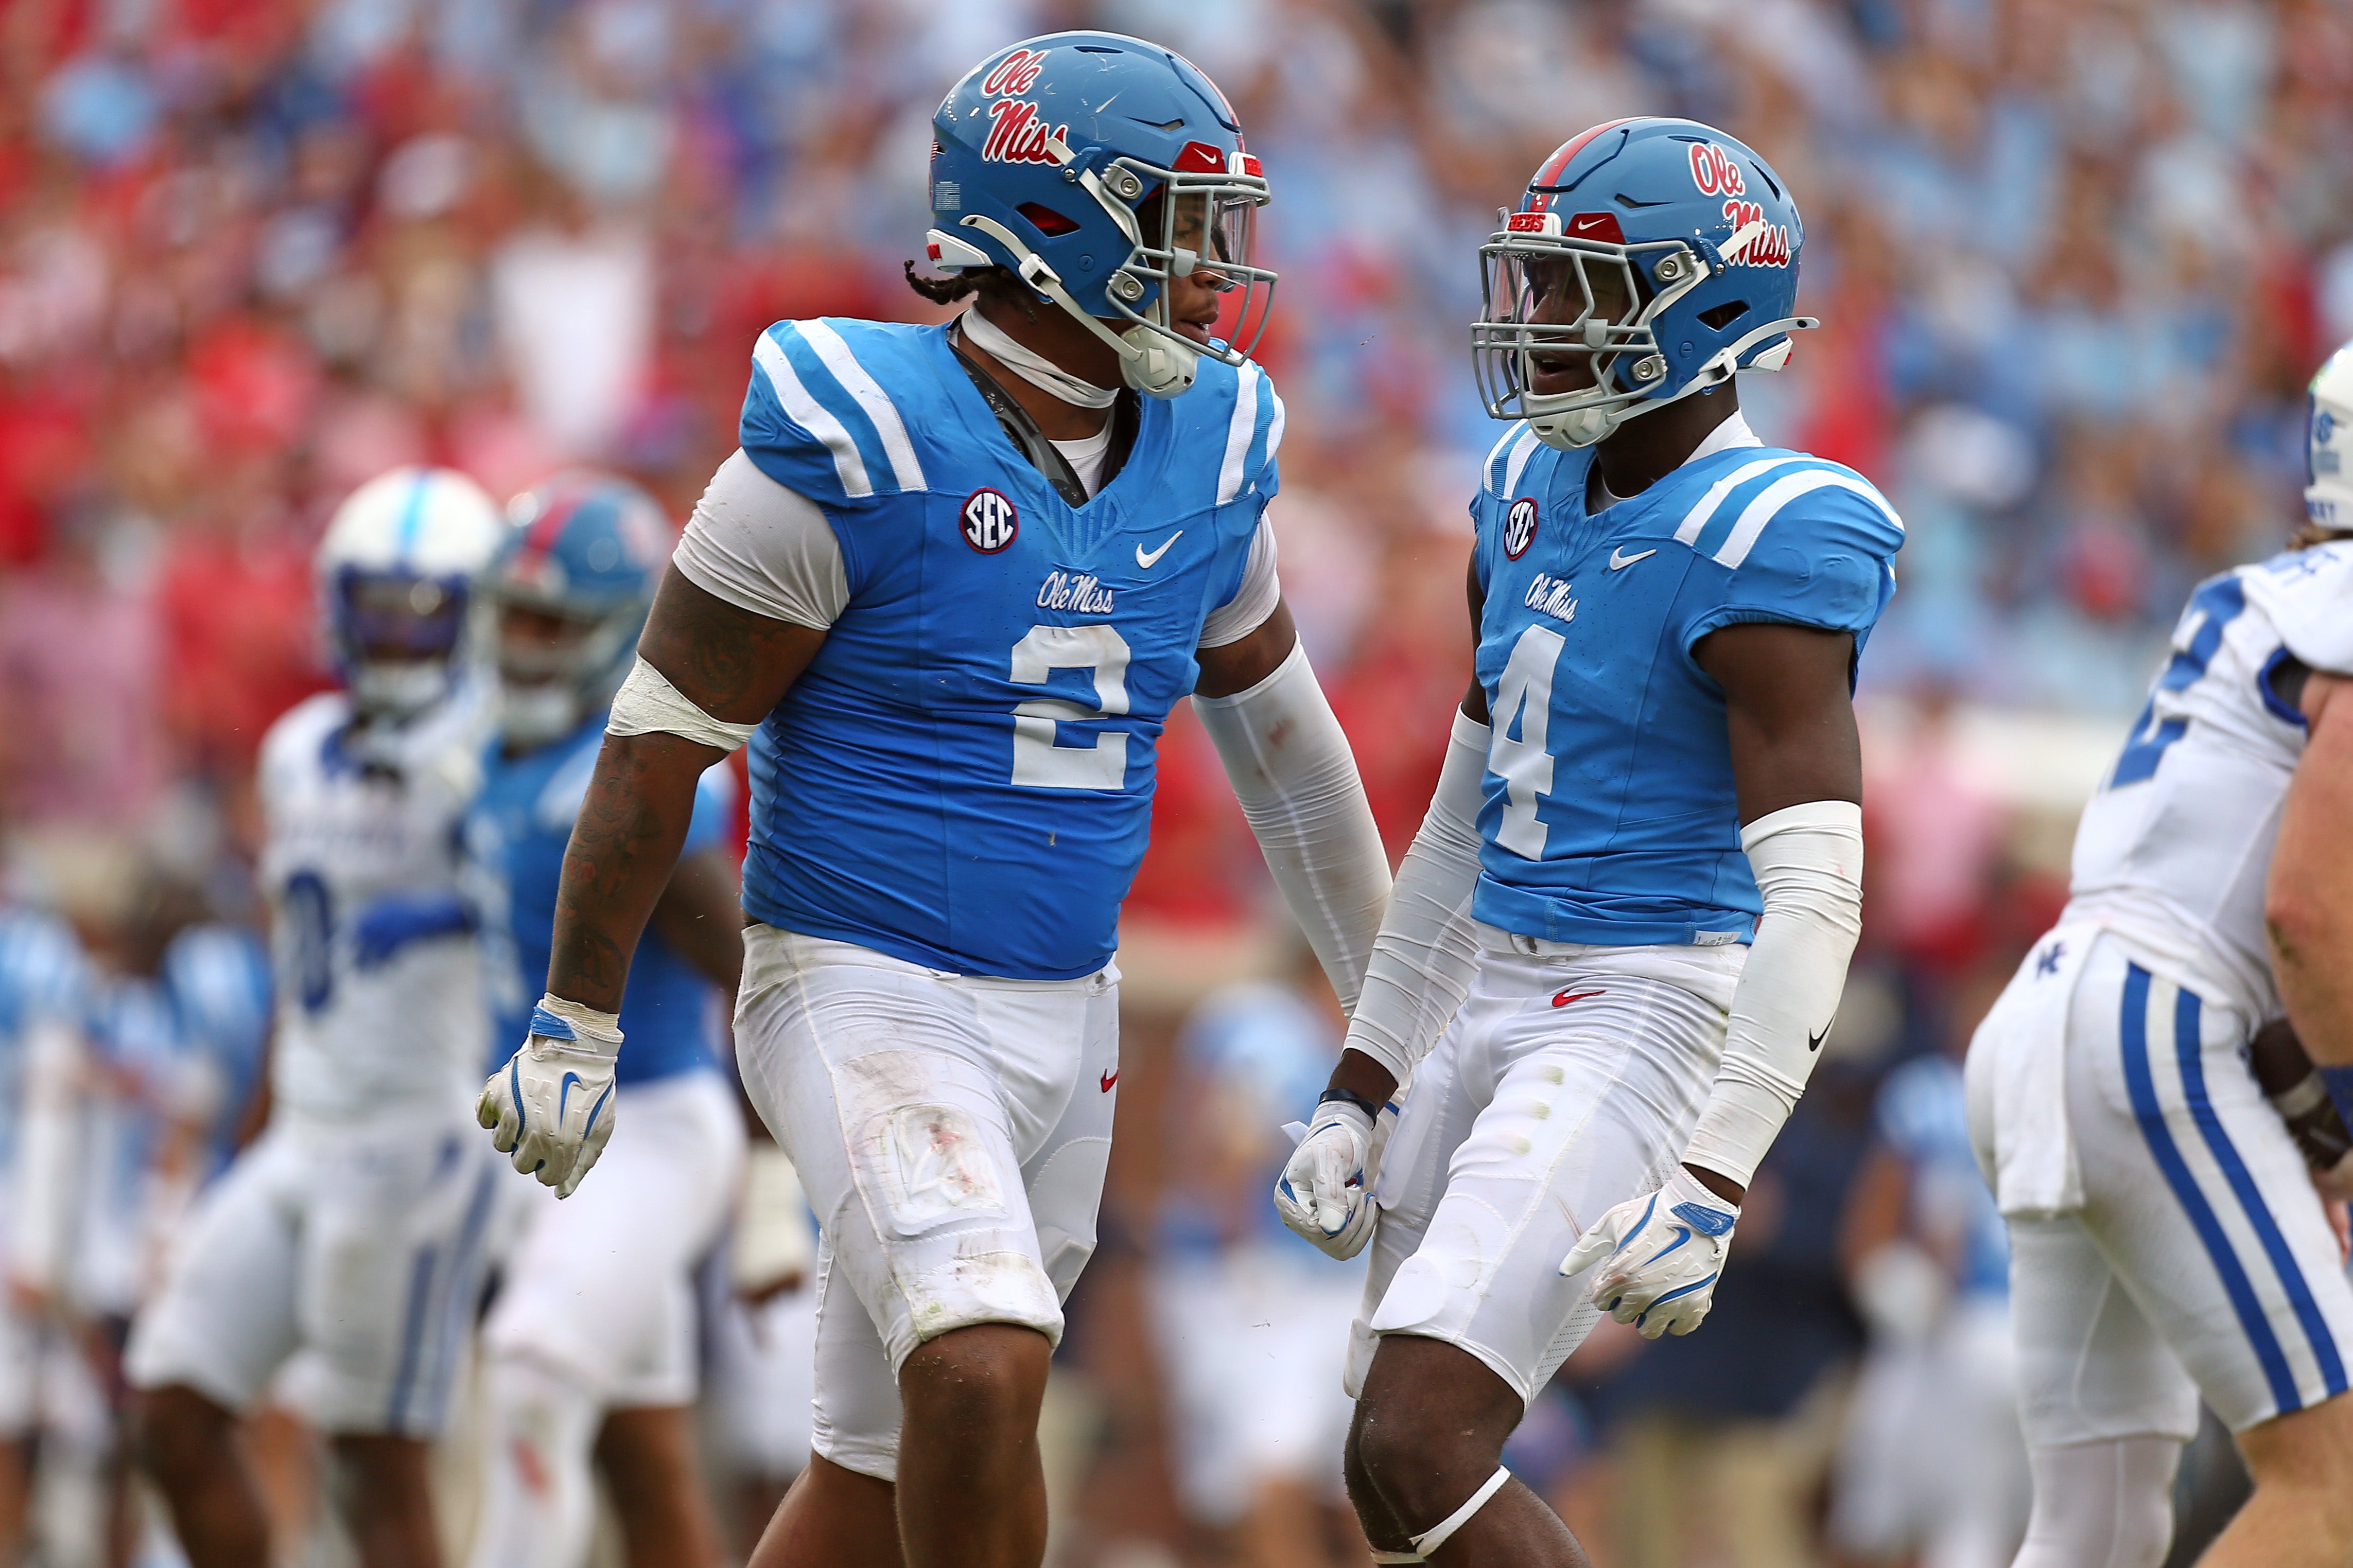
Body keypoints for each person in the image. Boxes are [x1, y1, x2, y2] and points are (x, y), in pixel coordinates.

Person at [472, 32, 1391, 1568]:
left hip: (1069, 1006)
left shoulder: (1213, 442)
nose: (1205, 267)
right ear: (1047, 226)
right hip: (859, 980)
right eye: (1167, 221)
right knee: (980, 1358)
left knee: (872, 1472)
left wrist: (1383, 1042)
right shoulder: (851, 434)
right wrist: (579, 1015)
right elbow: (655, 740)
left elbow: (1290, 767)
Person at [1274, 118, 1901, 1566]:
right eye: (1538, 283)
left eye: (1580, 291)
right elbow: (1458, 814)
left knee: (1421, 1435)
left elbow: (1815, 893)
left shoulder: (1770, 531)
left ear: (1704, 312)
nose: (1539, 322)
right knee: (1380, 1469)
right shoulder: (1524, 481)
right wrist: (1362, 1077)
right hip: (1489, 976)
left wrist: (1715, 1174)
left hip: (1638, 999)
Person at [1965, 339, 2353, 1568]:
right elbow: (2308, 910)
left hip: (2057, 1010)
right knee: (2333, 1489)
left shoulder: (2265, 598)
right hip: (2155, 1032)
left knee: (2096, 1527)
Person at [125, 467, 507, 1568]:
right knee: (173, 1410)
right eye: (373, 605)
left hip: (416, 1141)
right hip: (303, 1130)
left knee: (373, 1462)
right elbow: (297, 970)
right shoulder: (295, 747)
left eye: (419, 610)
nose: (391, 635)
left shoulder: (493, 757)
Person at [463, 471, 746, 1568]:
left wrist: (770, 1179)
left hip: (650, 1130)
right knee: (645, 1458)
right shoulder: (496, 753)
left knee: (532, 1370)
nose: (527, 647)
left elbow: (742, 970)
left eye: (556, 623)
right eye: (516, 616)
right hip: (548, 1144)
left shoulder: (628, 779)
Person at [1154, 963, 1367, 1567]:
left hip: (1330, 1281)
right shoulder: (1268, 1024)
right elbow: (1230, 1142)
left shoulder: (1351, 1032)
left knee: (1361, 1482)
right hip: (1265, 1280)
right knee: (1273, 1474)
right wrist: (1241, 1252)